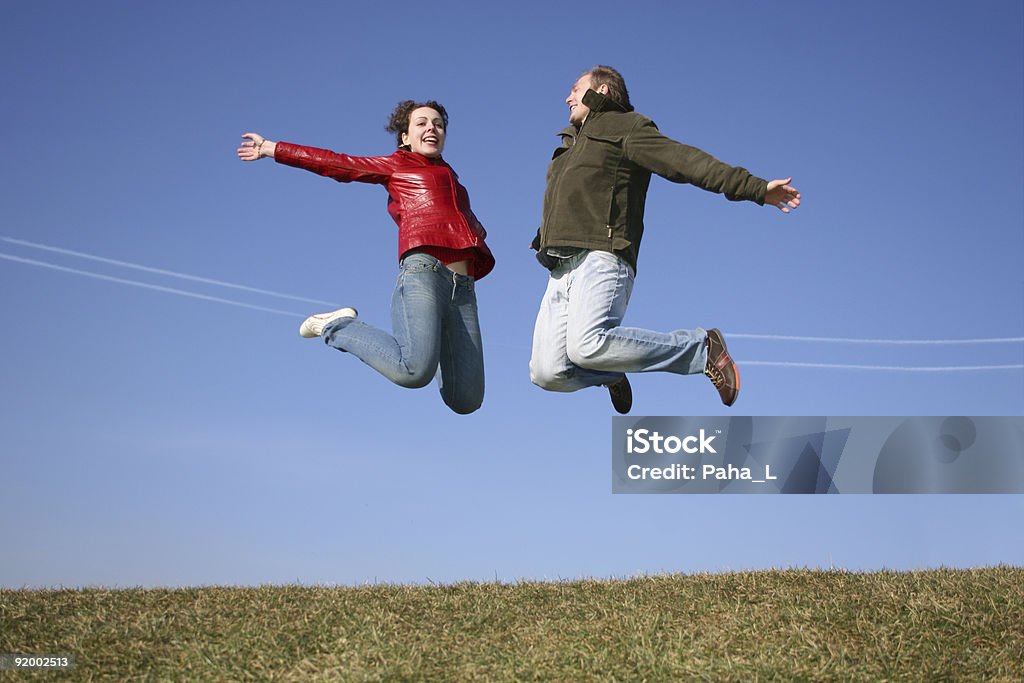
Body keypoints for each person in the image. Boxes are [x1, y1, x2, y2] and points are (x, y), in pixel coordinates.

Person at [529, 66, 800, 413]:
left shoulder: (625, 127)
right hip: (559, 269)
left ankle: (702, 349)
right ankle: (610, 373)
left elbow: (684, 161)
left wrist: (756, 188)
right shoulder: (569, 145)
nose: (567, 97)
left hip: (602, 254)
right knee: (546, 373)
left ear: (603, 91)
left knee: (584, 347)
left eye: (575, 88)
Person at [238, 100, 494, 414]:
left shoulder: (451, 177)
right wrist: (273, 148)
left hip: (463, 289)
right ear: (405, 137)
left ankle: (432, 341)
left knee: (466, 399)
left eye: (439, 124)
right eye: (422, 123)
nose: (432, 128)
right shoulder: (398, 165)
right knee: (412, 371)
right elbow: (337, 164)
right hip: (424, 273)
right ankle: (338, 326)